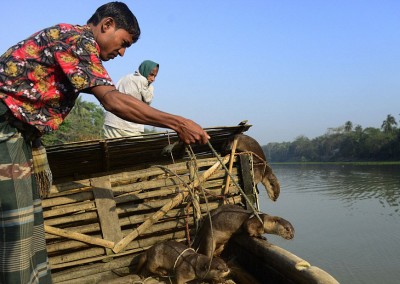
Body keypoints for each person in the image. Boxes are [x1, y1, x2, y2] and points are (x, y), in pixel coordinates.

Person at [0, 2, 209, 283]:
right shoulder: (75, 39)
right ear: (107, 24)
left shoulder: (77, 43)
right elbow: (112, 101)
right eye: (124, 43)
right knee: (15, 232)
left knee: (31, 226)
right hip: (5, 132)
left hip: (20, 137)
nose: (122, 52)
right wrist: (179, 123)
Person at [103, 60, 159, 138]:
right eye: (151, 75)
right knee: (135, 149)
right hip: (129, 126)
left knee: (111, 149)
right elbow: (148, 100)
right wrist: (150, 88)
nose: (153, 79)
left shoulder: (125, 77)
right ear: (145, 70)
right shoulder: (142, 80)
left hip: (112, 122)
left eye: (155, 76)